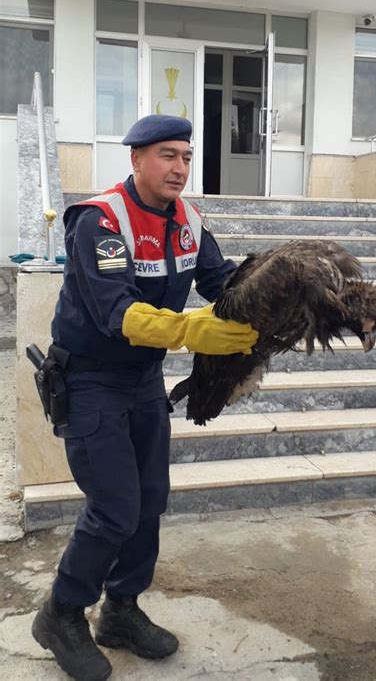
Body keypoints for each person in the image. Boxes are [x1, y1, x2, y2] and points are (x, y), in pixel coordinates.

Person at [31, 114, 258, 681]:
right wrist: (191, 331)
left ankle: (121, 610)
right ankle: (61, 612)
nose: (179, 167)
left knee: (149, 500)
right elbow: (119, 313)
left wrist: (270, 299)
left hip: (142, 383)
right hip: (89, 381)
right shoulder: (100, 221)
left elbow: (220, 281)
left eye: (185, 156)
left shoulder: (188, 219)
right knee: (114, 509)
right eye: (166, 156)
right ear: (136, 160)